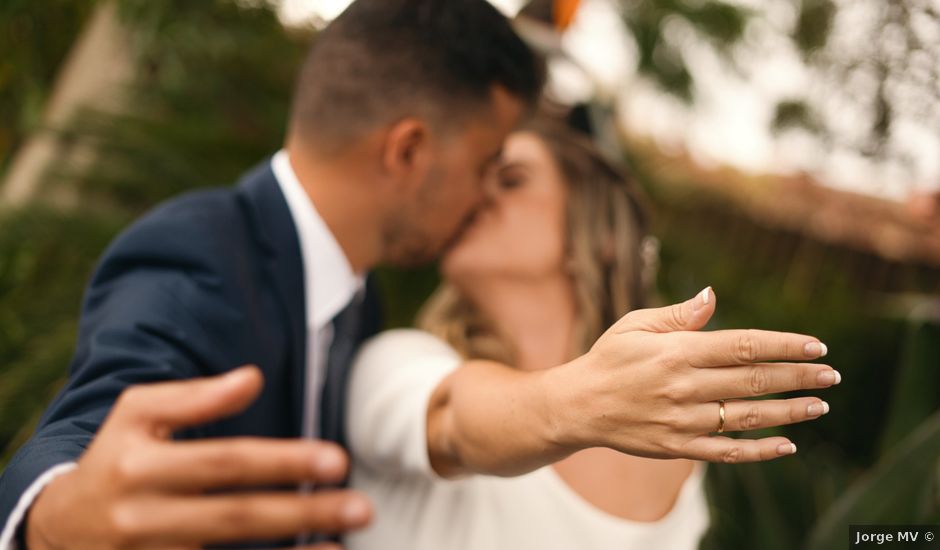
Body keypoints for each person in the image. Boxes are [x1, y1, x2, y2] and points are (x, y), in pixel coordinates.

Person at [0, 1, 838, 548]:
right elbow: (106, 412)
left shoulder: (352, 305)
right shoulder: (213, 252)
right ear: (407, 150)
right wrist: (55, 522)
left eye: (508, 179)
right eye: (488, 165)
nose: (479, 193)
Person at [343, 119, 835, 550]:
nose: (477, 196)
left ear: (600, 235)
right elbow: (452, 422)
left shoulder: (711, 473)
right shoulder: (400, 361)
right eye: (477, 180)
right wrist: (588, 399)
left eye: (511, 180)